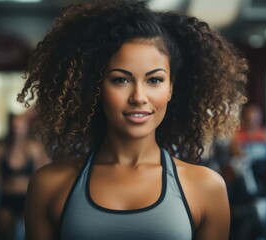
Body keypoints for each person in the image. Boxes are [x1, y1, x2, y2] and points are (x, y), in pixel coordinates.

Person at [17, 0, 248, 239]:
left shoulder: (207, 188)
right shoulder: (49, 185)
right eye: (121, 80)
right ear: (95, 87)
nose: (139, 97)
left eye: (154, 80)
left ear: (171, 88)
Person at [0, 113, 49, 240]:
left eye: (20, 125)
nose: (17, 128)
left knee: (29, 233)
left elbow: (42, 179)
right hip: (7, 198)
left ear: (26, 127)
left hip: (27, 199)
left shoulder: (34, 149)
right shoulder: (1, 151)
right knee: (3, 229)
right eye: (14, 125)